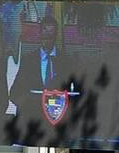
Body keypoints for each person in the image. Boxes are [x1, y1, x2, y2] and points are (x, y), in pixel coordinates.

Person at [7, 14, 77, 145]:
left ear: (55, 36)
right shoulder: (28, 60)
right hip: (31, 125)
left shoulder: (65, 61)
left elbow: (74, 92)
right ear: (40, 35)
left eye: (51, 36)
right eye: (45, 34)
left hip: (56, 127)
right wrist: (27, 102)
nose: (48, 39)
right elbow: (14, 92)